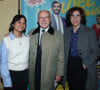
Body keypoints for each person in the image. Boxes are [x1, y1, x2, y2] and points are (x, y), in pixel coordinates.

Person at [63, 7, 99, 90]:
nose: (75, 18)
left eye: (77, 16)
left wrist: (86, 63)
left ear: (81, 17)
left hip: (83, 66)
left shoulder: (89, 31)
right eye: (72, 16)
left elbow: (96, 51)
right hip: (70, 66)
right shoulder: (66, 31)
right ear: (69, 17)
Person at [29, 10, 64, 90]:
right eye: (41, 17)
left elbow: (61, 57)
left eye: (46, 17)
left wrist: (59, 73)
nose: (44, 20)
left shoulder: (58, 36)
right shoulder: (31, 33)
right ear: (37, 20)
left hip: (49, 73)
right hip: (34, 72)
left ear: (50, 19)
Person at [0, 15, 29, 90]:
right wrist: (7, 81)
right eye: (19, 22)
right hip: (11, 74)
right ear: (13, 24)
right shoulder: (6, 40)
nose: (21, 25)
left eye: (24, 23)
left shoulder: (27, 38)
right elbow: (3, 62)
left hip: (25, 74)